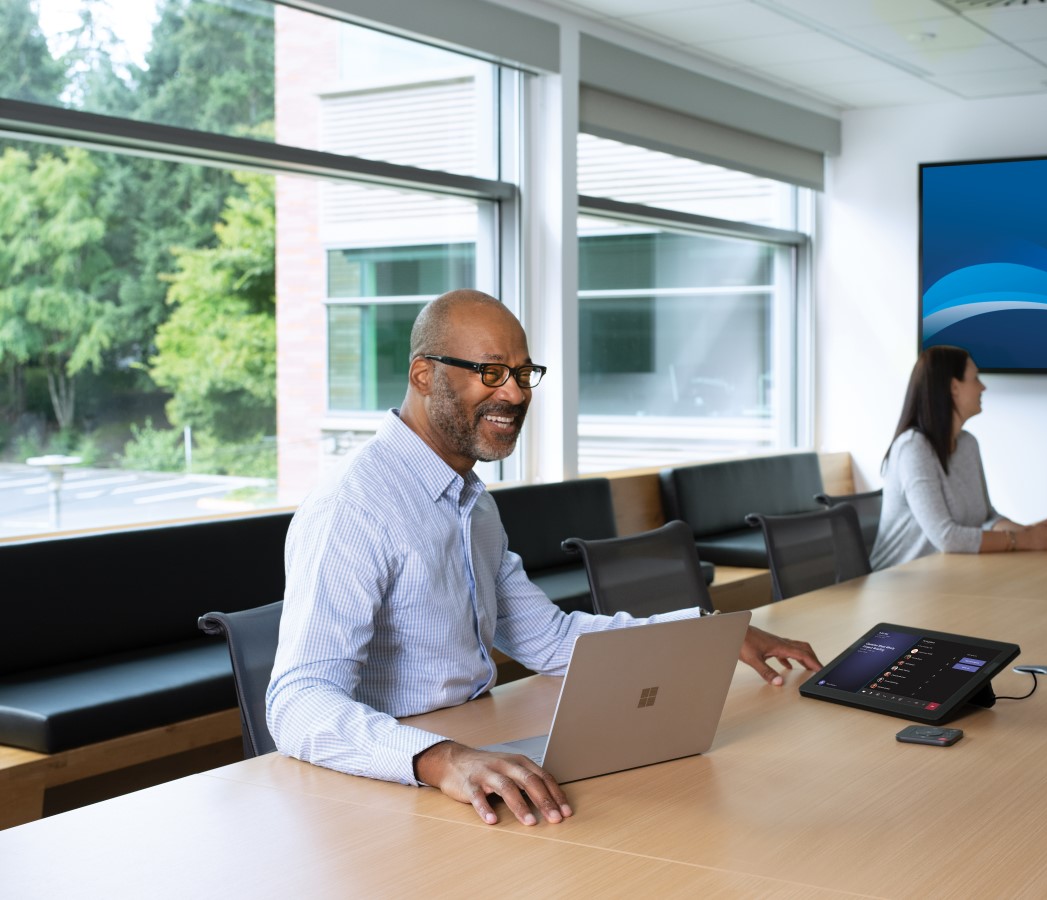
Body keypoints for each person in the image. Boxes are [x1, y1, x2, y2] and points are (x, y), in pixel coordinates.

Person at [266, 289, 822, 827]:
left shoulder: (472, 504)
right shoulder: (352, 506)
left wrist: (703, 633)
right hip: (385, 792)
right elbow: (297, 704)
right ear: (423, 375)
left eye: (523, 373)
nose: (514, 393)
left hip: (471, 764)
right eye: (490, 372)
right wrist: (443, 759)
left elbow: (549, 640)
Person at [869, 345, 1047, 571]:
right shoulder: (913, 448)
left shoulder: (968, 444)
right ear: (954, 387)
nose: (983, 386)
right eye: (975, 378)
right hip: (897, 584)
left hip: (946, 576)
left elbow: (986, 518)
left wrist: (1031, 533)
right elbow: (947, 537)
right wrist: (1023, 541)